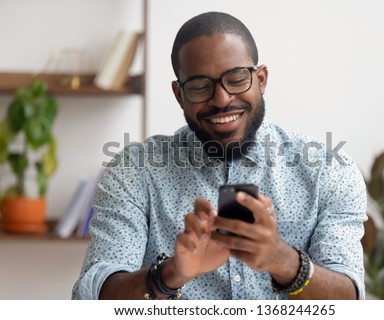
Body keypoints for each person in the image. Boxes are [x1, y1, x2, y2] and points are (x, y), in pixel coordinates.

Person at [72, 11, 367, 300]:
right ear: (179, 95)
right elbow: (91, 297)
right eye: (200, 87)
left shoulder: (330, 171)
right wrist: (170, 274)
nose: (222, 99)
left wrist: (283, 261)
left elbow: (350, 299)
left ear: (261, 79)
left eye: (237, 79)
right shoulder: (133, 171)